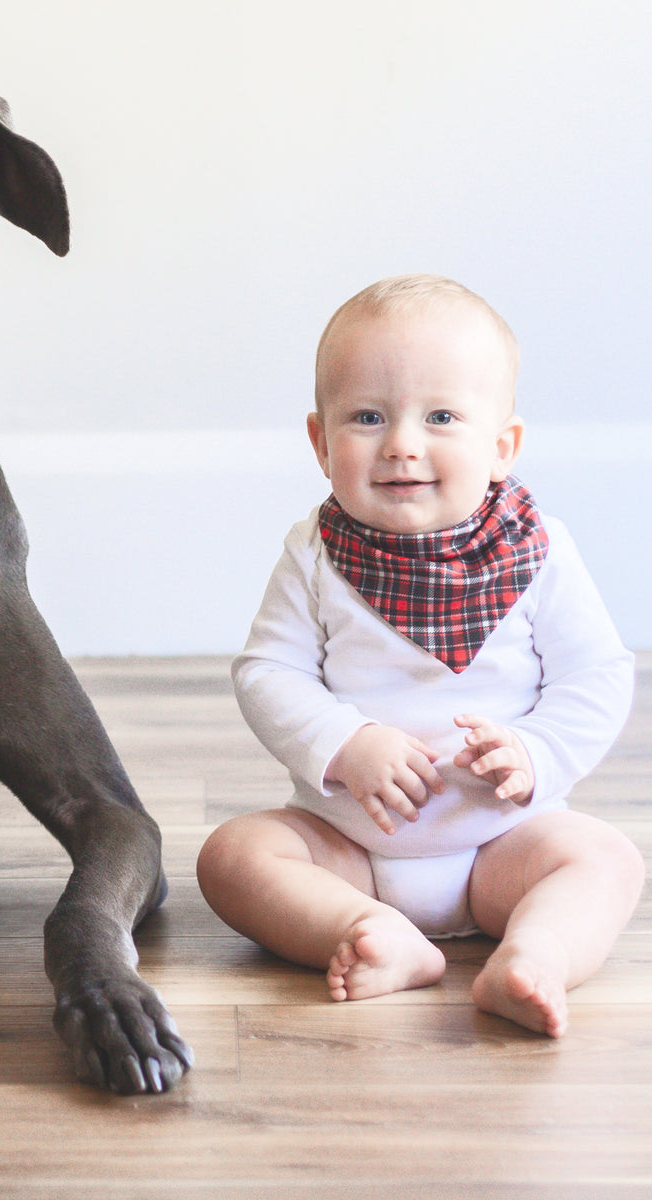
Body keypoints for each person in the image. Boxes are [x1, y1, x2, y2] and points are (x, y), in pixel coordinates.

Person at [196, 274, 645, 1037]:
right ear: (321, 443)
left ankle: (534, 955)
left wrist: (537, 752)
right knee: (233, 858)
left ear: (501, 447)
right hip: (351, 846)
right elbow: (268, 672)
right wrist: (346, 744)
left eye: (440, 417)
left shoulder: (539, 551)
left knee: (607, 860)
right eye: (368, 417)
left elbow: (596, 674)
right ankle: (366, 931)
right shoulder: (315, 553)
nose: (402, 443)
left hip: (503, 842)